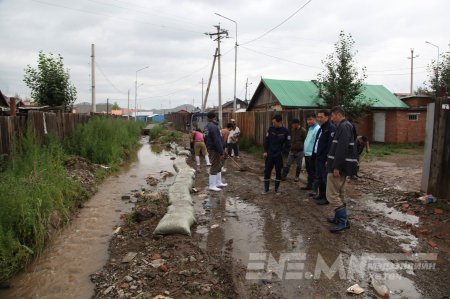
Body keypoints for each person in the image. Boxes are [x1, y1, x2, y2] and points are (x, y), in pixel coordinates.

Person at [326, 106, 358, 233]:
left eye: (333, 116)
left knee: (332, 194)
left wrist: (336, 166)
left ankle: (343, 221)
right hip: (341, 166)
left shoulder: (344, 127)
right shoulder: (346, 126)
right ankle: (338, 218)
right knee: (339, 193)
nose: (332, 119)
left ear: (339, 115)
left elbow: (342, 148)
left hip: (339, 167)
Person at [262, 114, 291, 195]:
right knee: (267, 171)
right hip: (270, 154)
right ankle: (266, 189)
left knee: (278, 172)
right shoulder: (271, 129)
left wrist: (283, 151)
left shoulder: (285, 131)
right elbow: (266, 141)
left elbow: (288, 143)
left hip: (279, 155)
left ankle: (276, 190)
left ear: (279, 122)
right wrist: (265, 151)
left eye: (274, 122)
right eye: (272, 122)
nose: (273, 124)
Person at [312, 109, 336, 205]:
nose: (319, 119)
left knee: (325, 178)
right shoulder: (321, 128)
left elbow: (331, 145)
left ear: (327, 117)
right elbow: (317, 142)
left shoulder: (331, 128)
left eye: (321, 117)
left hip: (325, 158)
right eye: (318, 117)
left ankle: (327, 198)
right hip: (318, 157)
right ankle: (321, 194)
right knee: (319, 177)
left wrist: (328, 159)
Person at [204, 111, 228, 192]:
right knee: (214, 166)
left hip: (211, 148)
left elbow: (205, 139)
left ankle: (218, 182)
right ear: (214, 117)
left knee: (218, 166)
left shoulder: (207, 126)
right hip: (214, 149)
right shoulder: (213, 127)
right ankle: (212, 185)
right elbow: (217, 140)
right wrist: (221, 151)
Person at [301, 112, 320, 192]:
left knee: (314, 172)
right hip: (307, 153)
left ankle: (314, 189)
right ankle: (309, 185)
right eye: (307, 120)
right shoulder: (310, 128)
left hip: (312, 154)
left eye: (310, 119)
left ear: (315, 119)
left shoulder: (317, 128)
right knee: (309, 171)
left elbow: (317, 143)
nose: (308, 121)